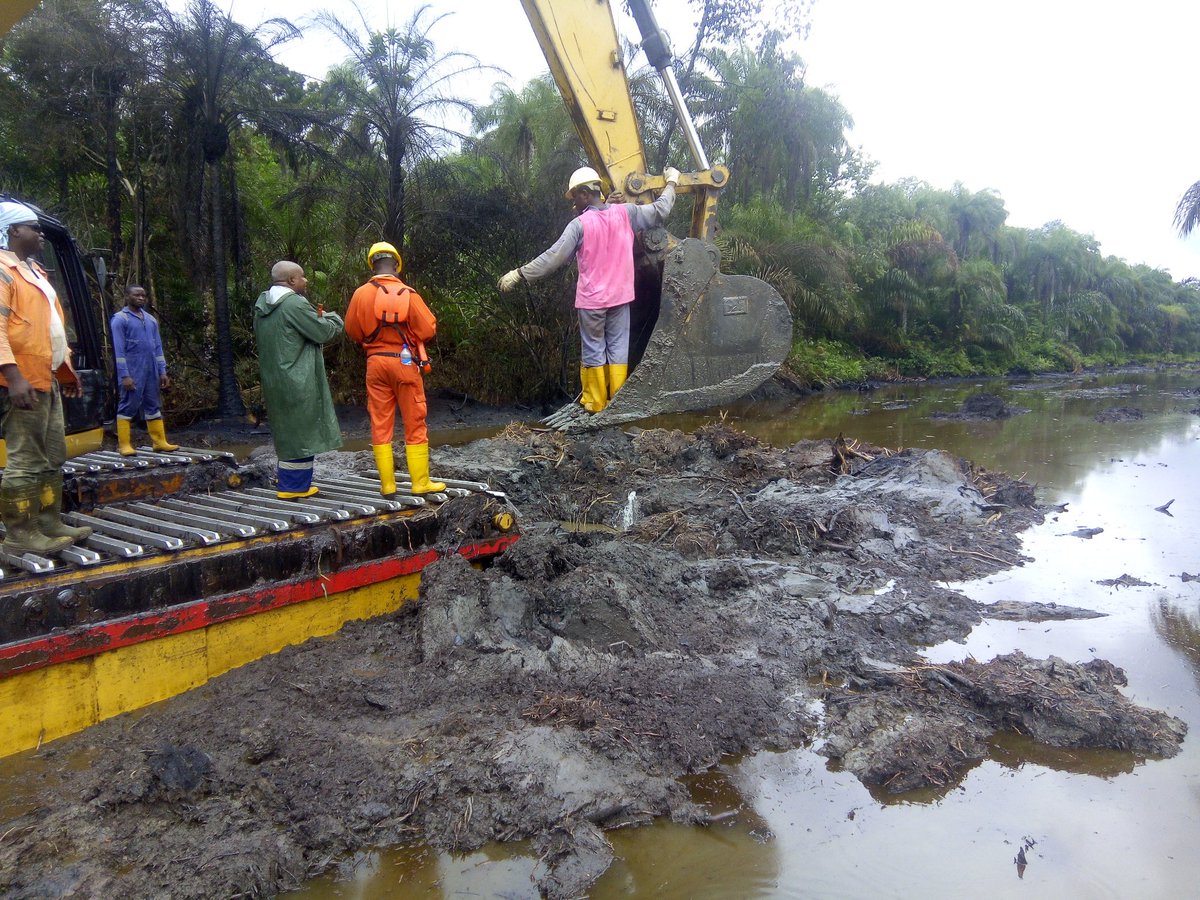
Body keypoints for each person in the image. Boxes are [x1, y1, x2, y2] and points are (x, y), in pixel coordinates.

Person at [498, 164, 679, 413]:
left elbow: (553, 258)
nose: (574, 203)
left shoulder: (579, 225)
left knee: (594, 349)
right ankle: (617, 403)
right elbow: (661, 210)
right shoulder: (625, 213)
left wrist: (520, 273)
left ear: (585, 193)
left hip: (593, 302)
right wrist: (672, 183)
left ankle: (595, 404)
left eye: (575, 196)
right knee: (617, 350)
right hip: (620, 298)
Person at [0, 200, 92, 553]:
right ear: (12, 231)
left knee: (53, 454)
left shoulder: (35, 271)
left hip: (45, 376)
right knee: (25, 457)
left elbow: (50, 329)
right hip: (21, 378)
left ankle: (48, 522)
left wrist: (66, 373)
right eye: (32, 227)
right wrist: (13, 376)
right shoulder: (4, 270)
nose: (40, 234)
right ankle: (20, 533)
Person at [344, 242, 444, 497]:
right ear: (397, 265)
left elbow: (352, 331)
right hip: (405, 362)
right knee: (415, 420)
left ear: (372, 265)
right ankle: (420, 482)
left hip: (375, 363)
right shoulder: (409, 293)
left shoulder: (360, 294)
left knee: (380, 421)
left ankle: (387, 484)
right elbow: (427, 330)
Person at [253, 260, 344, 499]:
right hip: (298, 378)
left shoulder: (262, 303)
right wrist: (333, 318)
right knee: (303, 431)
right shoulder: (294, 304)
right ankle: (294, 487)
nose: (305, 281)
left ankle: (289, 481)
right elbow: (322, 331)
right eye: (302, 277)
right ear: (291, 280)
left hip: (275, 379)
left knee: (288, 431)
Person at [111, 283, 179, 455]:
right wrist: (124, 375)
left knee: (153, 405)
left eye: (143, 295)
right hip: (133, 371)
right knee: (128, 405)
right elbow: (118, 351)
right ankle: (124, 444)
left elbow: (158, 347)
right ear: (127, 297)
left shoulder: (150, 320)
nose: (141, 298)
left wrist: (162, 371)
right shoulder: (120, 319)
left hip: (152, 371)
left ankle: (159, 442)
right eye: (137, 295)